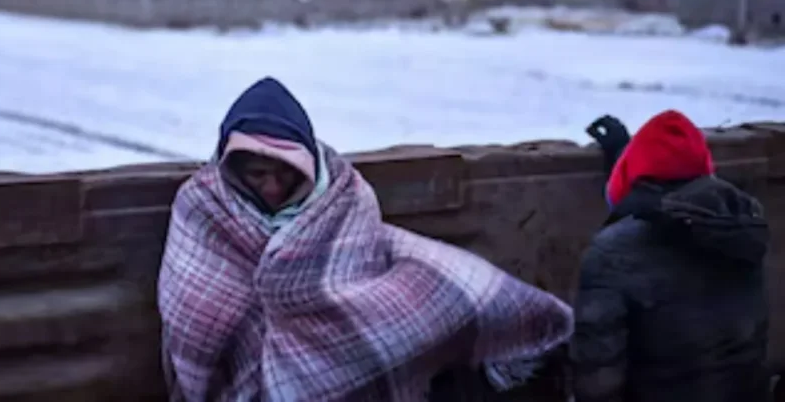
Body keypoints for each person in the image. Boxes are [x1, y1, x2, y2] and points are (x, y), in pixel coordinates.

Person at [158, 76, 573, 401]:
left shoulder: (344, 202)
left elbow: (364, 284)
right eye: (256, 175)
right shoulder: (201, 209)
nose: (270, 188)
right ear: (232, 167)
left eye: (284, 174)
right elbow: (191, 310)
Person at [574, 110, 770, 402]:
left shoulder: (610, 255)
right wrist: (625, 161)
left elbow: (598, 384)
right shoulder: (742, 226)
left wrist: (628, 178)